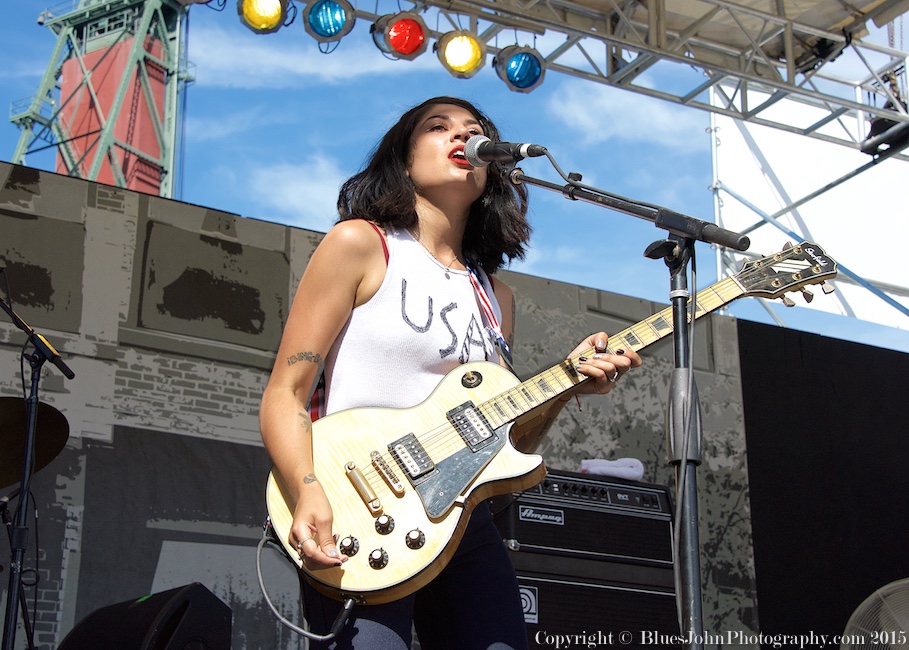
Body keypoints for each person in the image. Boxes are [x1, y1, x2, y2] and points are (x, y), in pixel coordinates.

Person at [259, 96, 641, 649]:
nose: (461, 137)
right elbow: (284, 393)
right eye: (438, 128)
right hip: (358, 506)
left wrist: (566, 385)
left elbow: (506, 443)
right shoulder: (361, 245)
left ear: (492, 170)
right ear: (404, 161)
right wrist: (307, 488)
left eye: (475, 131)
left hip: (463, 522)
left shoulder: (495, 296)